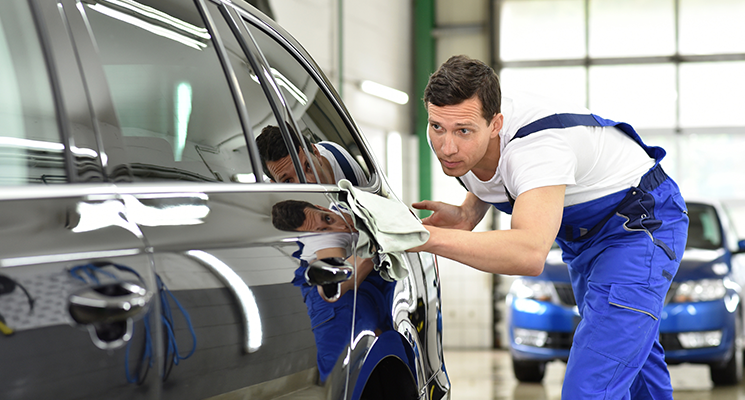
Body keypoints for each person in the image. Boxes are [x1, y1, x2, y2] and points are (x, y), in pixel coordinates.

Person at [410, 55, 688, 399]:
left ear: (495, 124)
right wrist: (468, 214)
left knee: (589, 387)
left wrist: (427, 237)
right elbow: (498, 178)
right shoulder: (463, 141)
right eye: (436, 127)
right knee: (631, 358)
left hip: (639, 225)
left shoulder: (537, 145)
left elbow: (528, 253)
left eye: (463, 131)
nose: (447, 147)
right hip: (585, 241)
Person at [270, 199, 393, 383]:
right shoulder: (324, 239)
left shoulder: (347, 206)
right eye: (322, 229)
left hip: (365, 291)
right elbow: (342, 282)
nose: (340, 226)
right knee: (339, 380)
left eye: (327, 219)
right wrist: (374, 248)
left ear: (321, 207)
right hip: (331, 300)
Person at [255, 124, 368, 186]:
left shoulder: (342, 162)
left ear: (316, 153)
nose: (306, 183)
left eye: (308, 166)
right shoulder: (274, 207)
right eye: (288, 181)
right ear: (275, 185)